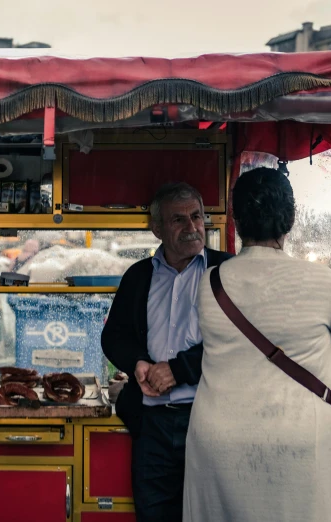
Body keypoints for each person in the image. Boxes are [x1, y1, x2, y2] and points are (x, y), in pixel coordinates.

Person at [183, 167, 331, 521]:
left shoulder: (210, 283)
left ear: (236, 221)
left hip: (221, 442)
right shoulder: (323, 281)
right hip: (304, 440)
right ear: (290, 219)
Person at [101, 183, 232, 522]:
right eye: (178, 220)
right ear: (156, 227)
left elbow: (237, 344)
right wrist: (139, 364)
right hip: (152, 425)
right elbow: (113, 336)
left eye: (197, 217)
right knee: (154, 515)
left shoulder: (226, 272)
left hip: (209, 420)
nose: (192, 228)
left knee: (211, 515)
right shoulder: (139, 276)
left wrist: (180, 369)